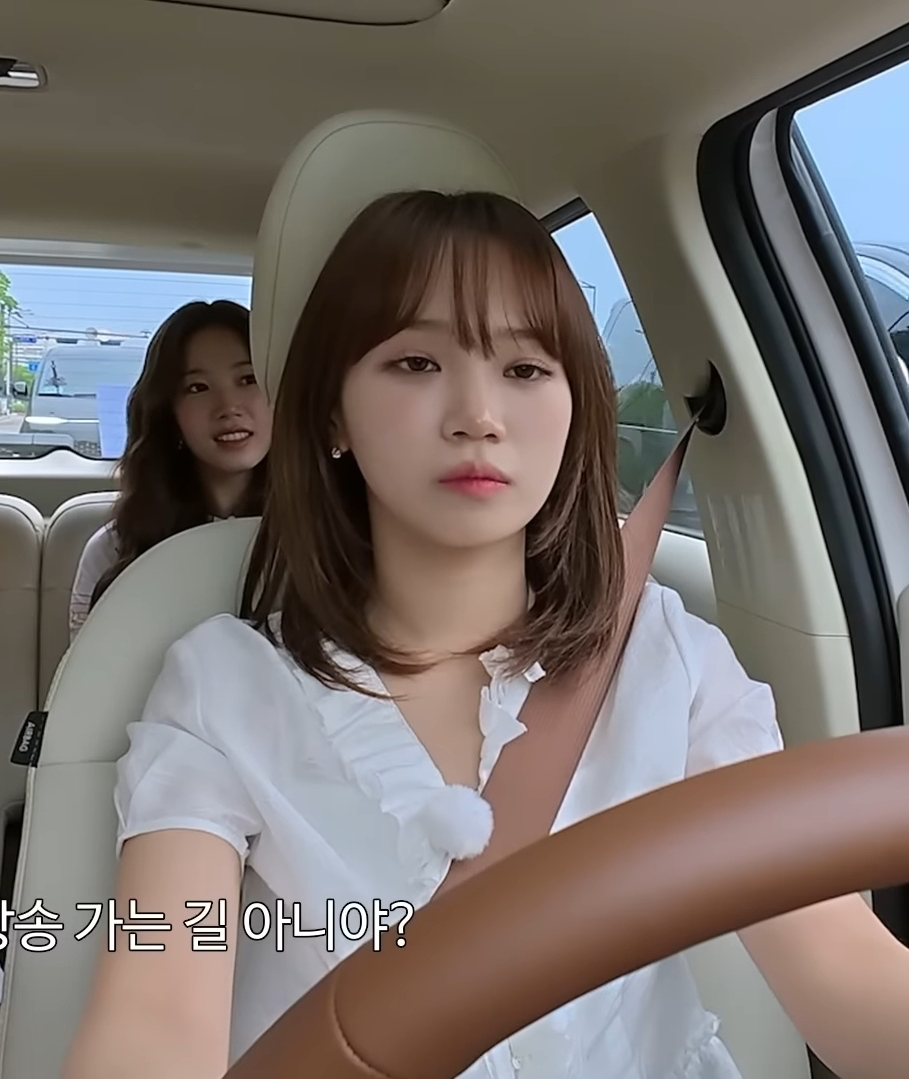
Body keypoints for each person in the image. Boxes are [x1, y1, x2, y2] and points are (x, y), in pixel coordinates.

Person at [64, 192, 909, 1079]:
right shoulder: (225, 686)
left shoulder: (667, 656)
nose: (478, 414)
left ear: (576, 405)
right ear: (332, 415)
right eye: (416, 361)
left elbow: (837, 959)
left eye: (525, 368)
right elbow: (155, 1015)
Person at [68, 300, 271, 640]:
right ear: (169, 413)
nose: (228, 406)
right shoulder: (113, 550)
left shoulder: (326, 536)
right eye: (198, 387)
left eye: (248, 379)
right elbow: (91, 671)